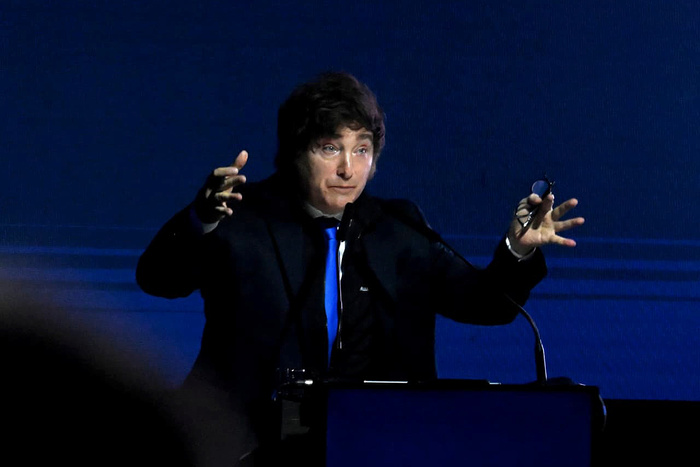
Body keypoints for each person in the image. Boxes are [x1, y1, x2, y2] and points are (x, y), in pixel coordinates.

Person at [135, 71, 584, 466]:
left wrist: (516, 250)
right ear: (295, 152)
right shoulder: (241, 216)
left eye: (362, 149)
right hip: (242, 445)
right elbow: (158, 280)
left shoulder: (401, 227)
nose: (348, 169)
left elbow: (488, 304)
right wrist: (201, 220)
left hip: (377, 443)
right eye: (330, 148)